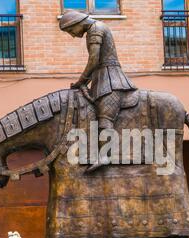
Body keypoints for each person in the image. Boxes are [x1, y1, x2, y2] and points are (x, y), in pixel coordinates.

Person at [59, 10, 137, 172]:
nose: (73, 35)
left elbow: (94, 59)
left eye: (70, 31)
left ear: (76, 23)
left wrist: (81, 81)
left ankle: (105, 156)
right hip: (102, 77)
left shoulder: (95, 29)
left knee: (104, 116)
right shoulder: (95, 28)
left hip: (110, 79)